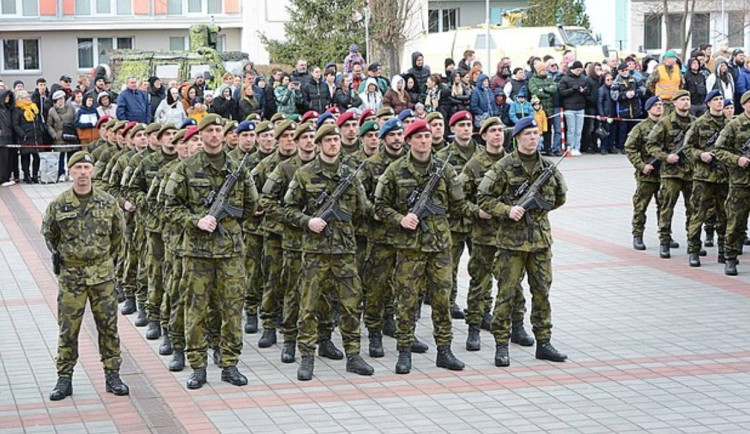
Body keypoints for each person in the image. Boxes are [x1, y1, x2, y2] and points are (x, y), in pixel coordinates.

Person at [163, 114, 259, 389]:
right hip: (197, 253)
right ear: (201, 135)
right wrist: (196, 220)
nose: (215, 135)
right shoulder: (185, 168)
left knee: (231, 309)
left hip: (230, 252)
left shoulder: (237, 168)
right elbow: (170, 207)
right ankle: (198, 367)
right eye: (210, 130)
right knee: (196, 310)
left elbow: (251, 207)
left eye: (219, 130)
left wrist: (229, 223)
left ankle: (229, 364)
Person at [373, 119, 467, 374]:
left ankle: (444, 351)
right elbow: (379, 206)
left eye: (427, 137)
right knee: (406, 301)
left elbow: (459, 204)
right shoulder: (394, 171)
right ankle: (404, 352)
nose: (424, 141)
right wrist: (400, 219)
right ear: (409, 141)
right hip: (410, 249)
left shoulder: (445, 170)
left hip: (439, 247)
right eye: (419, 137)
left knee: (442, 301)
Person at [283, 124, 375, 381]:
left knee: (350, 305)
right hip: (315, 252)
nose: (334, 144)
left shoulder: (350, 175)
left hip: (345, 251)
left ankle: (354, 355)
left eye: (336, 139)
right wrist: (307, 222)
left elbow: (362, 209)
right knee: (309, 305)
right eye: (329, 140)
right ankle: (307, 357)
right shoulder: (304, 174)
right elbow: (287, 210)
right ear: (320, 144)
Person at [477, 117, 568, 367]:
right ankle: (501, 345)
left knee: (542, 293)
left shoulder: (547, 167)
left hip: (539, 242)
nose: (532, 137)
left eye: (535, 133)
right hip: (510, 243)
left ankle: (544, 342)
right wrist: (507, 210)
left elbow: (560, 196)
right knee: (507, 294)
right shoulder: (503, 167)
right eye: (527, 133)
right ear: (516, 138)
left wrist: (538, 209)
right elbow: (483, 198)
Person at [42, 150, 129, 401]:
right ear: (70, 171)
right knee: (68, 329)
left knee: (108, 327)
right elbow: (50, 235)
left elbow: (118, 236)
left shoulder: (108, 202)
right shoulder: (59, 204)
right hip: (72, 277)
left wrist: (103, 260)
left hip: (102, 275)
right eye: (77, 168)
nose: (82, 172)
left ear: (93, 171)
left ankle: (112, 375)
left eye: (86, 168)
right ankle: (64, 378)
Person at [460, 117, 533, 351]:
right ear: (483, 136)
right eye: (492, 131)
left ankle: (517, 325)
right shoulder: (474, 165)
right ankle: (474, 328)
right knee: (479, 283)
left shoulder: (515, 161)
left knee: (514, 284)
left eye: (501, 130)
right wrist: (476, 212)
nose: (498, 135)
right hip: (484, 235)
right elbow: (458, 198)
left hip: (511, 235)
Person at [645, 90, 695, 259]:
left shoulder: (695, 122)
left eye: (687, 99)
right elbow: (651, 144)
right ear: (674, 103)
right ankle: (664, 242)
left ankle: (693, 242)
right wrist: (666, 157)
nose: (685, 102)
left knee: (693, 209)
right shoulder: (665, 123)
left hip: (690, 173)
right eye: (682, 100)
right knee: (667, 208)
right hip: (671, 173)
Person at [683, 90, 728, 267]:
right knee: (698, 214)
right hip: (704, 177)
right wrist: (700, 155)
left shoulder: (730, 123)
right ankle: (694, 250)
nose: (719, 102)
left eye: (721, 99)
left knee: (724, 216)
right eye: (715, 100)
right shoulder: (699, 124)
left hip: (724, 178)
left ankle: (724, 250)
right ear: (708, 103)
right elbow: (687, 148)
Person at [714, 90, 750, 275]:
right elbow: (719, 150)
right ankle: (730, 257)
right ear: (743, 105)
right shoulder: (734, 125)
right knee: (736, 222)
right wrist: (737, 160)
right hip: (741, 182)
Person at [557, 61, 589, 156]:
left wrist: (584, 91)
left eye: (580, 70)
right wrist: (572, 89)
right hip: (569, 107)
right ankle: (570, 147)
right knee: (571, 129)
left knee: (579, 129)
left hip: (580, 106)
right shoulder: (565, 79)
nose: (579, 72)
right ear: (573, 69)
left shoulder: (583, 79)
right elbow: (561, 92)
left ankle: (577, 147)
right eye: (577, 70)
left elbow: (587, 91)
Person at [610, 63, 644, 152]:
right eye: (622, 70)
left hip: (635, 108)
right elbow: (614, 96)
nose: (625, 72)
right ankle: (623, 147)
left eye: (626, 70)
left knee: (634, 130)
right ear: (619, 71)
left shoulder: (635, 79)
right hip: (623, 110)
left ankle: (634, 146)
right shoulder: (616, 81)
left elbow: (643, 89)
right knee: (623, 131)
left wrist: (635, 93)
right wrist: (625, 95)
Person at [528, 62, 560, 156]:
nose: (544, 71)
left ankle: (548, 148)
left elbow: (554, 88)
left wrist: (544, 90)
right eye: (542, 70)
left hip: (550, 109)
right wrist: (547, 93)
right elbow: (535, 91)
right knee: (538, 130)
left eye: (544, 70)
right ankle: (538, 148)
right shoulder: (532, 80)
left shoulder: (549, 78)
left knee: (548, 129)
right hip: (538, 110)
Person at [48, 90, 78, 180]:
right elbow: (49, 124)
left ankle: (70, 173)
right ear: (55, 100)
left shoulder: (71, 107)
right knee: (60, 156)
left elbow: (75, 119)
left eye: (63, 98)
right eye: (59, 99)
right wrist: (54, 134)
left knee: (71, 155)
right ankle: (61, 173)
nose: (61, 100)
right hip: (59, 136)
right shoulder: (52, 111)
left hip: (70, 135)